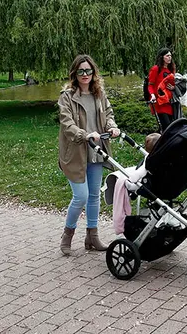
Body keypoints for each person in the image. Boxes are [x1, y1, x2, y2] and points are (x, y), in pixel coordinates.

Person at [58, 54, 120, 256]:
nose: (85, 74)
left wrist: (112, 127)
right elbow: (67, 124)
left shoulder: (99, 94)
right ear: (74, 74)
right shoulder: (66, 97)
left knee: (94, 196)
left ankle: (92, 237)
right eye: (81, 71)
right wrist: (85, 135)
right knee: (81, 196)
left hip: (97, 151)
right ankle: (67, 235)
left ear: (94, 73)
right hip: (76, 152)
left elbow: (108, 114)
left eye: (88, 71)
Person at [147, 48, 176, 132]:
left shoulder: (171, 69)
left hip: (169, 102)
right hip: (159, 103)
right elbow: (150, 85)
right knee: (166, 127)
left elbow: (173, 84)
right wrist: (152, 95)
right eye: (167, 56)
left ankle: (157, 141)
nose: (170, 57)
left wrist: (174, 88)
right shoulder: (156, 69)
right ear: (162, 57)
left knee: (170, 125)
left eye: (170, 56)